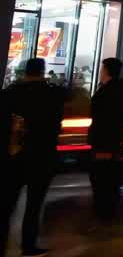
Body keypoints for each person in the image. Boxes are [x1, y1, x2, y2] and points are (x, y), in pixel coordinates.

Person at [1, 58, 66, 256]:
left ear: (25, 72)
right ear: (43, 71)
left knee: (6, 204)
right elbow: (56, 124)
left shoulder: (10, 93)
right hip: (42, 155)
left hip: (15, 155)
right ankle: (28, 245)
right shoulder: (52, 94)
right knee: (34, 204)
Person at [89, 57, 123, 220]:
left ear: (106, 71)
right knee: (108, 175)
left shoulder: (108, 92)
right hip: (113, 137)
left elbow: (99, 115)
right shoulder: (121, 88)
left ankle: (104, 212)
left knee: (101, 175)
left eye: (102, 69)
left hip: (103, 139)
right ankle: (108, 210)